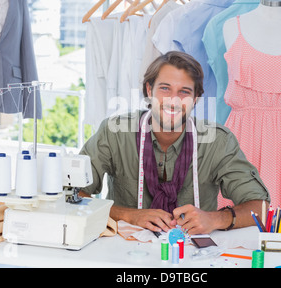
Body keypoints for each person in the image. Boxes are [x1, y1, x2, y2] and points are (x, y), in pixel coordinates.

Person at [80, 51, 270, 235]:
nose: (174, 100)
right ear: (149, 90)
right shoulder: (114, 132)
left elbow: (260, 208)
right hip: (124, 251)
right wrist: (128, 215)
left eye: (184, 92)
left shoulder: (218, 141)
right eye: (165, 88)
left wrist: (216, 219)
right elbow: (72, 195)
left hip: (192, 255)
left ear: (195, 99)